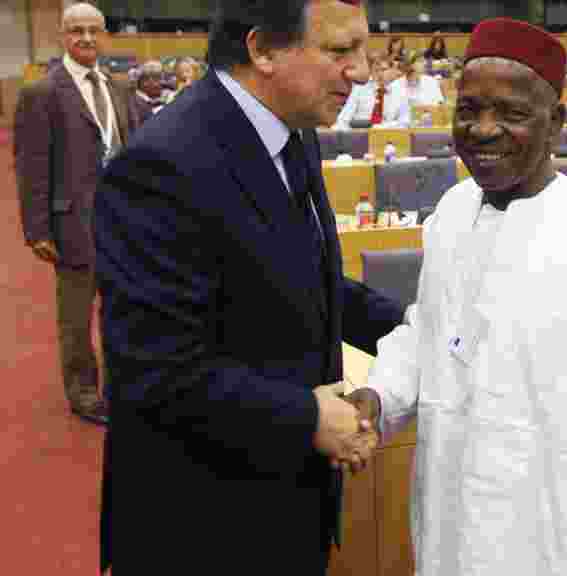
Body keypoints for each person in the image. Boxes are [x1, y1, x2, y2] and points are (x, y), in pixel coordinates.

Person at [351, 17, 567, 576]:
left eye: (511, 113)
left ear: (555, 122)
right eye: (469, 110)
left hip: (553, 538)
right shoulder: (452, 214)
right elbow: (429, 332)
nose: (484, 130)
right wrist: (379, 395)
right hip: (451, 525)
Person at [94, 1, 407, 574]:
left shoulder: (292, 127)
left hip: (290, 506)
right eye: (340, 51)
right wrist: (307, 418)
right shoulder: (160, 167)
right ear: (262, 50)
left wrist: (417, 327)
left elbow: (305, 280)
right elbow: (156, 369)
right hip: (201, 524)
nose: (362, 71)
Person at [14, 3, 144, 427]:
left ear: (105, 35)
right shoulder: (43, 92)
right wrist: (37, 230)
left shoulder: (119, 88)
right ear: (63, 37)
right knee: (76, 319)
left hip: (123, 225)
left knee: (123, 308)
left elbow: (137, 153)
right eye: (77, 31)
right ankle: (84, 393)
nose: (86, 38)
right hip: (73, 225)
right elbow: (32, 166)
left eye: (94, 30)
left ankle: (122, 383)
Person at [333, 51, 411, 129]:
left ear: (391, 70)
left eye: (384, 70)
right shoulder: (360, 88)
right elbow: (343, 119)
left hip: (387, 136)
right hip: (361, 135)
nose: (380, 74)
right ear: (371, 71)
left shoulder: (400, 91)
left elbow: (405, 122)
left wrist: (379, 128)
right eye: (376, 70)